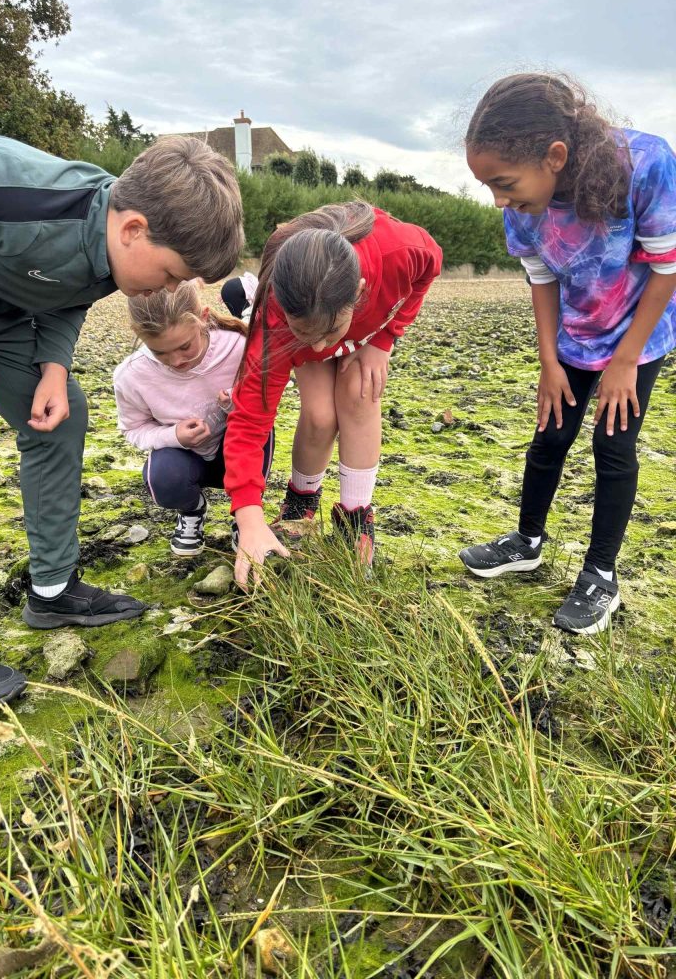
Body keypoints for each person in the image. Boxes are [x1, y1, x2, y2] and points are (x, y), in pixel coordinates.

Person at [0, 133, 244, 717]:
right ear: (133, 229)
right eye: (170, 275)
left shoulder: (111, 246)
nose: (168, 292)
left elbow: (73, 289)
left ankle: (52, 589)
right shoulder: (19, 198)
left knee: (61, 417)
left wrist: (54, 365)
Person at [459, 73, 676, 635]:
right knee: (551, 433)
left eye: (504, 183)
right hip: (575, 337)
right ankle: (526, 542)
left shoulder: (646, 164)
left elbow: (666, 267)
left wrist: (625, 361)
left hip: (639, 331)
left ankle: (601, 574)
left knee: (613, 444)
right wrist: (550, 363)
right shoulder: (521, 207)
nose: (500, 200)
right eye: (489, 187)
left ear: (555, 155)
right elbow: (541, 278)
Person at [223, 201, 443, 588]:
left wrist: (384, 340)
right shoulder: (275, 320)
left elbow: (431, 265)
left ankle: (356, 518)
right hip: (310, 326)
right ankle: (301, 502)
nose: (325, 346)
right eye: (310, 334)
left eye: (329, 333)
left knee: (360, 392)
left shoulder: (401, 251)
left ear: (358, 293)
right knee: (321, 415)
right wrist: (248, 514)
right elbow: (249, 421)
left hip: (366, 332)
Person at [114, 280, 273, 556]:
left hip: (234, 449)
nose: (176, 361)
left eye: (185, 347)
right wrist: (174, 435)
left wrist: (236, 406)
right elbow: (133, 429)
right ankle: (193, 509)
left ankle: (245, 516)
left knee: (260, 437)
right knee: (161, 478)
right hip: (186, 458)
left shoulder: (238, 347)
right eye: (160, 352)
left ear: (203, 317)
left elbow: (266, 405)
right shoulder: (131, 375)